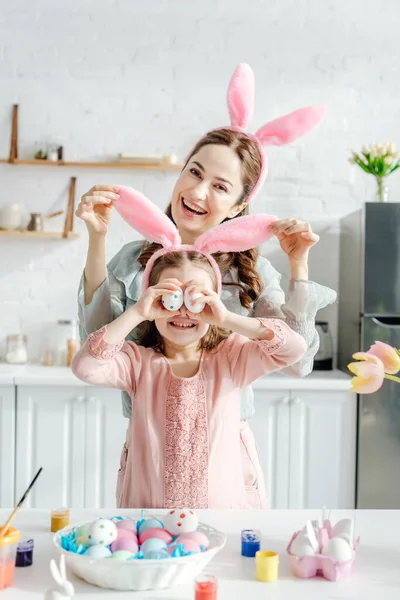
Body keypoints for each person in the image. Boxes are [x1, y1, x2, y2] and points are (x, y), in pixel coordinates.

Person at [76, 64, 336, 505]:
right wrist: (98, 238)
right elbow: (93, 344)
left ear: (239, 207)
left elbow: (297, 360)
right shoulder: (134, 259)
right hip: (149, 448)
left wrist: (299, 267)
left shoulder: (252, 273)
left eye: (220, 186)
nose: (198, 193)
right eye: (194, 173)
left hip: (222, 456)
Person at [72, 187, 307, 508]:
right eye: (171, 297)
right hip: (149, 479)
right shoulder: (139, 363)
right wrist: (139, 311)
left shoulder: (232, 357)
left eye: (220, 185)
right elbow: (90, 356)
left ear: (239, 204)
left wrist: (225, 318)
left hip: (224, 470)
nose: (183, 309)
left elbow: (294, 352)